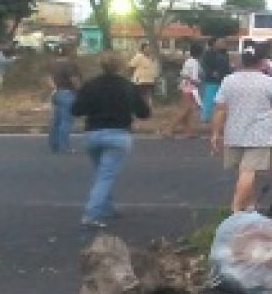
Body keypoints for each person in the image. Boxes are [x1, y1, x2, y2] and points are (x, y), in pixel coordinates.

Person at [71, 51, 151, 228]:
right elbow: (144, 113)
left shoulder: (90, 85)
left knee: (101, 173)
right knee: (105, 176)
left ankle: (107, 207)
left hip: (93, 133)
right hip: (118, 134)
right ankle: (91, 214)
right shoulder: (127, 86)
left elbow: (76, 110)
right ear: (120, 66)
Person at [211, 47, 272, 212]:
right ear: (262, 62)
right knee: (248, 171)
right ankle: (236, 208)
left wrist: (216, 133)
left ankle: (250, 206)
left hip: (234, 131)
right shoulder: (269, 82)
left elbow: (220, 109)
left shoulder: (229, 80)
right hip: (259, 133)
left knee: (243, 171)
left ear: (241, 61)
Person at [48, 44, 82, 154]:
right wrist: (80, 91)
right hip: (68, 93)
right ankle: (64, 146)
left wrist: (54, 88)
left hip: (56, 92)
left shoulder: (53, 64)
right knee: (66, 121)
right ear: (69, 52)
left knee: (56, 121)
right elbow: (74, 79)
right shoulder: (70, 64)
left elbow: (47, 78)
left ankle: (54, 145)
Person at [165, 43, 203, 139]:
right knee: (185, 110)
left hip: (185, 85)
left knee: (188, 110)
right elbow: (193, 78)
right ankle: (169, 129)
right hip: (190, 87)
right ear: (201, 53)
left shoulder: (188, 61)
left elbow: (184, 74)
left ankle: (188, 132)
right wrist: (199, 83)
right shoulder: (195, 63)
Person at [200, 37, 232, 123]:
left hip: (223, 80)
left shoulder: (225, 54)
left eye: (224, 42)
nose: (224, 44)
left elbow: (227, 66)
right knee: (209, 100)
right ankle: (205, 118)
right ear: (215, 43)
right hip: (212, 80)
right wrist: (211, 73)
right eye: (221, 42)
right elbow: (205, 65)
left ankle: (223, 119)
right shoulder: (209, 53)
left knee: (223, 100)